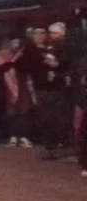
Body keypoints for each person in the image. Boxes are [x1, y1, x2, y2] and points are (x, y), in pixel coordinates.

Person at [20, 25, 68, 159]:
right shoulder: (29, 51)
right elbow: (23, 68)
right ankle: (50, 147)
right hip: (40, 87)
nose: (40, 36)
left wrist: (57, 67)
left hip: (56, 87)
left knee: (59, 116)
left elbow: (65, 64)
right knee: (45, 117)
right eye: (37, 33)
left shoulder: (54, 48)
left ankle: (61, 143)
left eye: (42, 33)